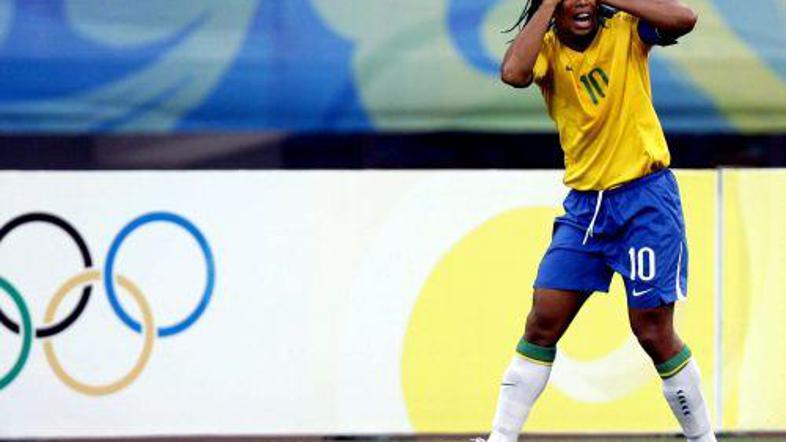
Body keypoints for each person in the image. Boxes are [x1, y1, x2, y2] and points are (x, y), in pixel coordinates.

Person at [479, 0, 716, 441]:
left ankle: (704, 438)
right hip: (586, 211)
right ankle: (500, 437)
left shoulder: (626, 31)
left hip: (645, 201)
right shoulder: (547, 48)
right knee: (542, 320)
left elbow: (685, 18)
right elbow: (513, 73)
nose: (584, 1)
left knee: (652, 331)